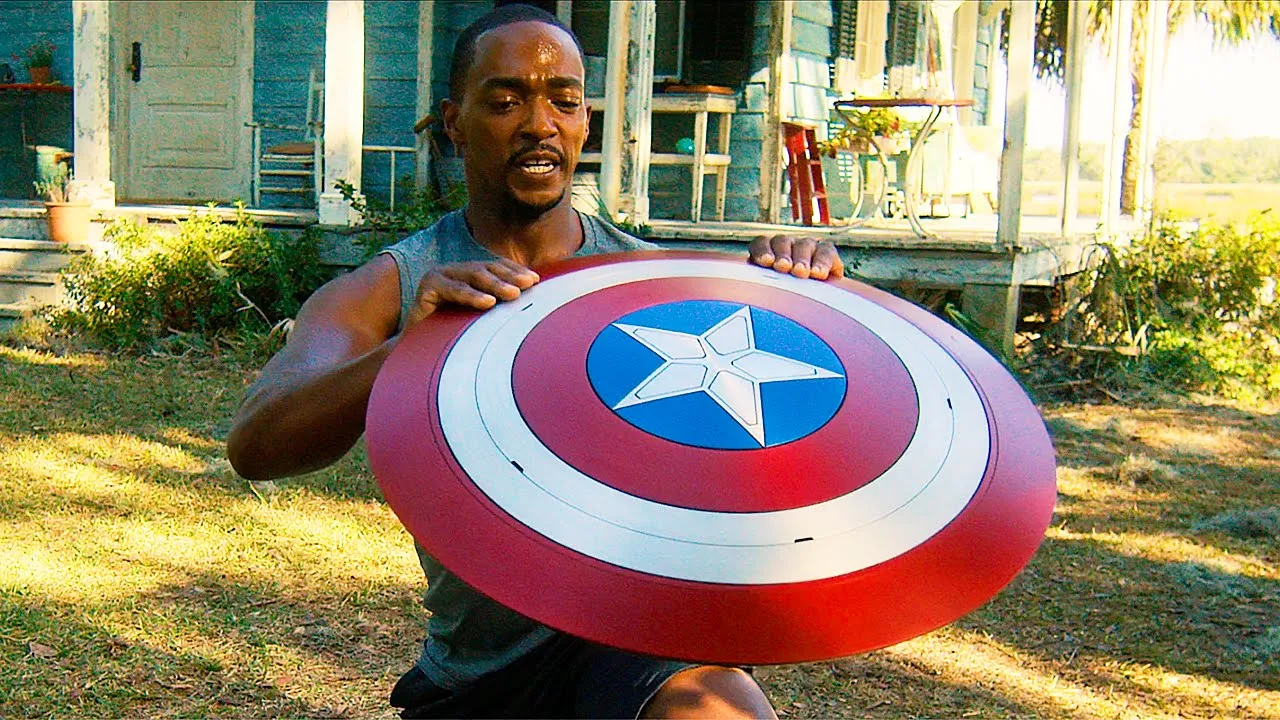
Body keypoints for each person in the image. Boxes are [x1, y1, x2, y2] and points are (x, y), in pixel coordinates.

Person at [227, 5, 844, 718]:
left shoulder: (660, 286)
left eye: (564, 101)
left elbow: (795, 442)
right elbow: (256, 446)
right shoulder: (396, 286)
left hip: (642, 642)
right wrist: (410, 351)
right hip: (479, 676)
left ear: (585, 123)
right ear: (455, 123)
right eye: (505, 101)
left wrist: (799, 293)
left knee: (717, 708)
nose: (539, 124)